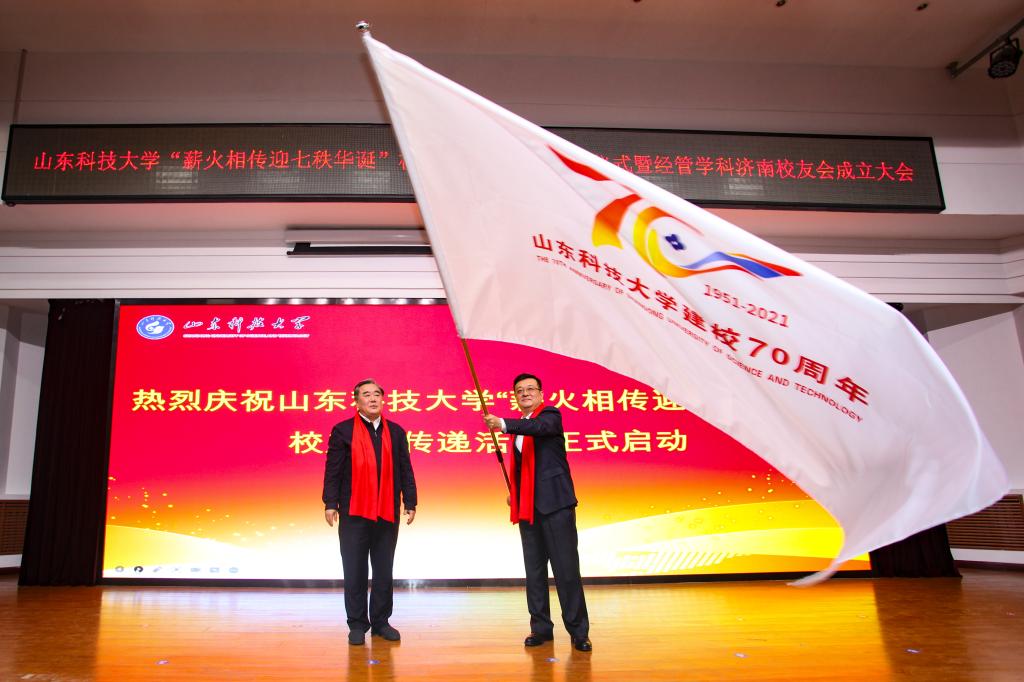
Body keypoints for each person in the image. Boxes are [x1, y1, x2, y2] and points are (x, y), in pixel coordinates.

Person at [484, 372, 592, 652]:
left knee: (566, 570)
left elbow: (540, 428)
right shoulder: (522, 429)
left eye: (530, 389)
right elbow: (526, 468)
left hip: (556, 506)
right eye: (519, 391)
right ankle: (541, 628)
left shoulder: (550, 416)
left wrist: (503, 423)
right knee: (534, 572)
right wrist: (517, 492)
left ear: (541, 394)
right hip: (528, 508)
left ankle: (579, 631)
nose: (525, 393)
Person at [323, 378, 417, 646]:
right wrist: (330, 502)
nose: (373, 398)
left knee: (384, 568)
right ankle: (356, 624)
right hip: (354, 511)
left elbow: (405, 468)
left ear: (383, 399)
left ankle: (380, 622)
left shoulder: (396, 432)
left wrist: (410, 501)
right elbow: (333, 469)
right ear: (356, 401)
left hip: (386, 510)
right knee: (354, 569)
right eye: (366, 394)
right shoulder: (343, 431)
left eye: (377, 394)